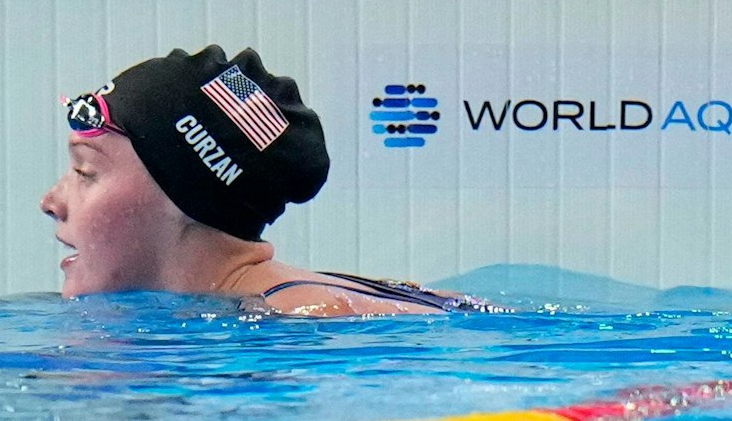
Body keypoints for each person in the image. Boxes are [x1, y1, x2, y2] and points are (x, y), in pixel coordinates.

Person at [42, 44, 487, 315]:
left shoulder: (300, 315)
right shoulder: (292, 300)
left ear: (186, 195)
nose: (51, 201)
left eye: (86, 172)